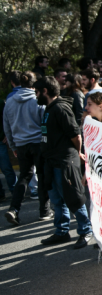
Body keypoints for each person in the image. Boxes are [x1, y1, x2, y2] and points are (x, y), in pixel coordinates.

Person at [33, 77, 92, 248]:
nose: (36, 96)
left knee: (73, 197)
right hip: (50, 162)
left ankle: (85, 230)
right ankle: (61, 231)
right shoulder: (49, 108)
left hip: (64, 162)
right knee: (57, 200)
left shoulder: (61, 108)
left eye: (37, 92)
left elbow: (76, 135)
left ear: (45, 91)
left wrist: (78, 153)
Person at [3, 71, 52, 225]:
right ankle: (44, 211)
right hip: (38, 143)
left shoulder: (9, 102)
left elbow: (7, 127)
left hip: (21, 144)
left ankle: (14, 209)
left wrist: (13, 145)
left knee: (24, 176)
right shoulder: (37, 100)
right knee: (42, 175)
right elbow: (45, 123)